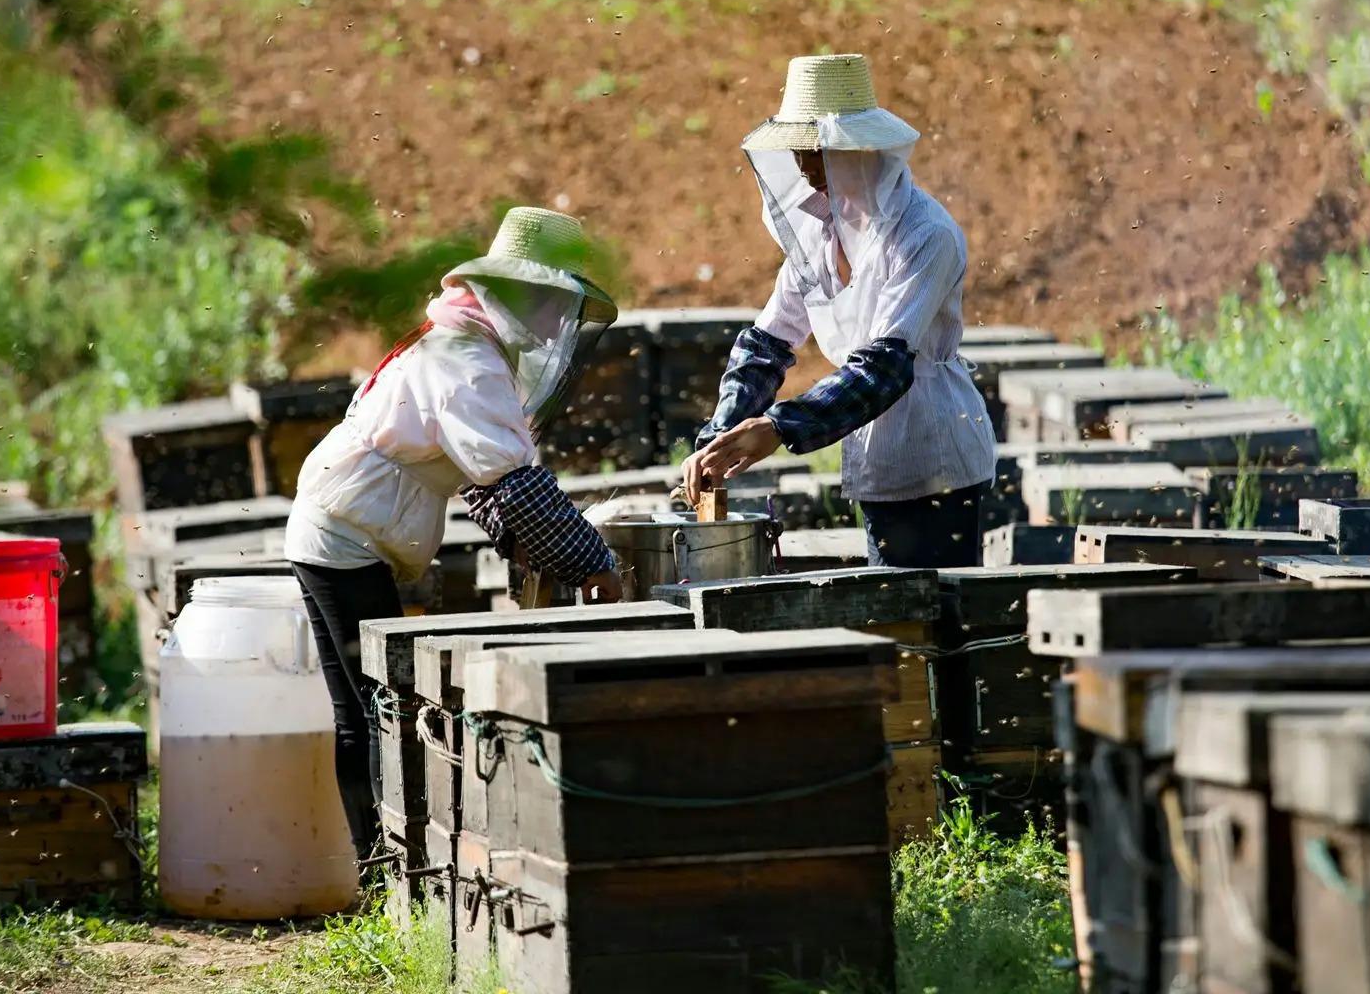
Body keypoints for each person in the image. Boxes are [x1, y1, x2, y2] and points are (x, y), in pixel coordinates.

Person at [285, 207, 623, 864]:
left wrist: (516, 540)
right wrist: (592, 562)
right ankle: (385, 870)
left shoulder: (459, 347)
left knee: (363, 707)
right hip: (345, 537)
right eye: (553, 300)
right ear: (519, 293)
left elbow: (477, 477)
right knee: (372, 708)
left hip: (338, 525)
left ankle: (379, 869)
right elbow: (513, 483)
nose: (558, 321)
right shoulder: (464, 361)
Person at [683, 53, 995, 567]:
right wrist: (721, 433)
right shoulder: (817, 230)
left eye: (815, 150)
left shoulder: (924, 235)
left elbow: (885, 367)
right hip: (876, 460)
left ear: (858, 149)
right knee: (895, 625)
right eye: (797, 150)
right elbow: (768, 344)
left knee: (933, 629)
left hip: (936, 458)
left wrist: (779, 427)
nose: (804, 167)